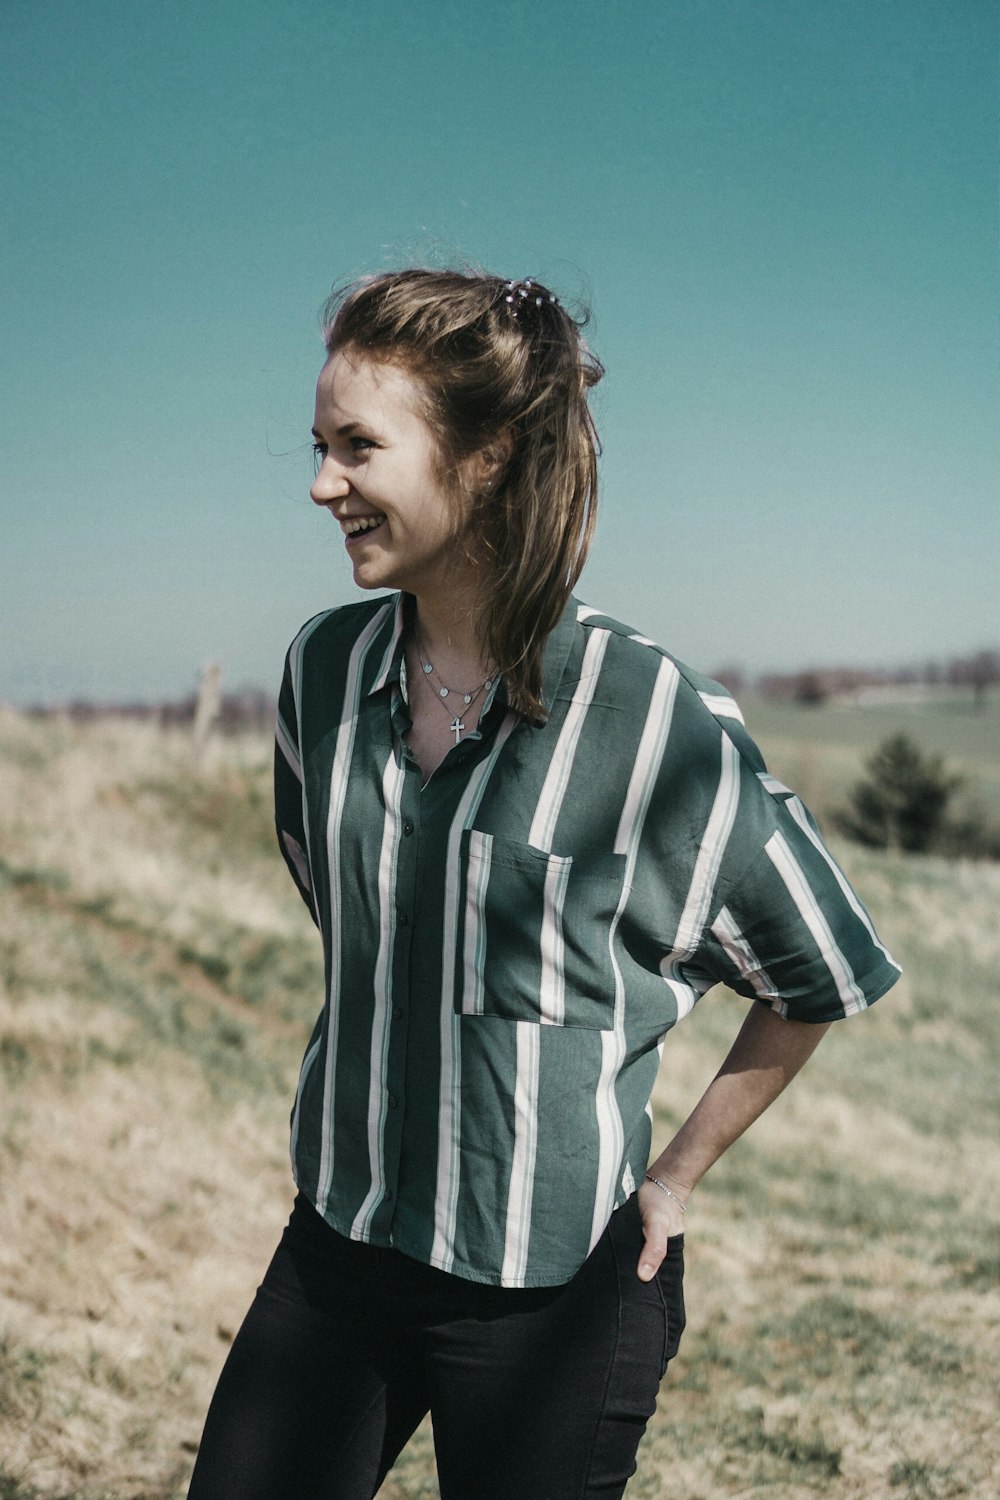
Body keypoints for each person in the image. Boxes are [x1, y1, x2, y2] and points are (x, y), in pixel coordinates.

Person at [187, 269, 900, 1499]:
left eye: (359, 447)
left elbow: (816, 968)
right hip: (339, 1252)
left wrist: (670, 1178)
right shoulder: (317, 678)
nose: (321, 485)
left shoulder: (650, 718)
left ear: (486, 459)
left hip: (552, 1299)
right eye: (318, 447)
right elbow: (351, 915)